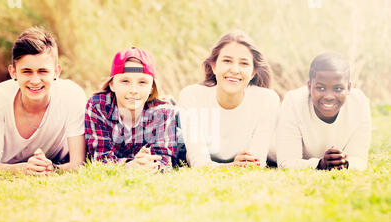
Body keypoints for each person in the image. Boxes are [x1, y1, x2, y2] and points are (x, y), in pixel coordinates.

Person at [0, 27, 87, 175]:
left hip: (52, 161)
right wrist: (24, 169)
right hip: (0, 165)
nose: (35, 80)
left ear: (56, 71)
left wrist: (52, 169)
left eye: (43, 71)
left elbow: (78, 163)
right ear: (13, 72)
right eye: (27, 71)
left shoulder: (72, 95)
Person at [177, 30, 280, 168]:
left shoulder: (267, 100)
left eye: (244, 63)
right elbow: (199, 163)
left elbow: (255, 163)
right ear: (213, 66)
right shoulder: (191, 96)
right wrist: (233, 166)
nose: (235, 70)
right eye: (227, 61)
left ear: (253, 72)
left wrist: (241, 164)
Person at [85, 47, 179, 171]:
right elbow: (99, 160)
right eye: (125, 81)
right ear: (112, 84)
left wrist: (147, 165)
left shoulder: (164, 111)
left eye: (142, 82)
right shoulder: (98, 106)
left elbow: (164, 162)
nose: (133, 90)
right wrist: (129, 166)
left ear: (151, 87)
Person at [276, 53, 372, 171]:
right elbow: (285, 163)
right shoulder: (294, 101)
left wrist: (345, 162)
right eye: (320, 88)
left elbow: (360, 160)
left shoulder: (359, 102)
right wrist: (320, 164)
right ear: (309, 86)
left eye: (338, 88)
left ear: (349, 88)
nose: (329, 96)